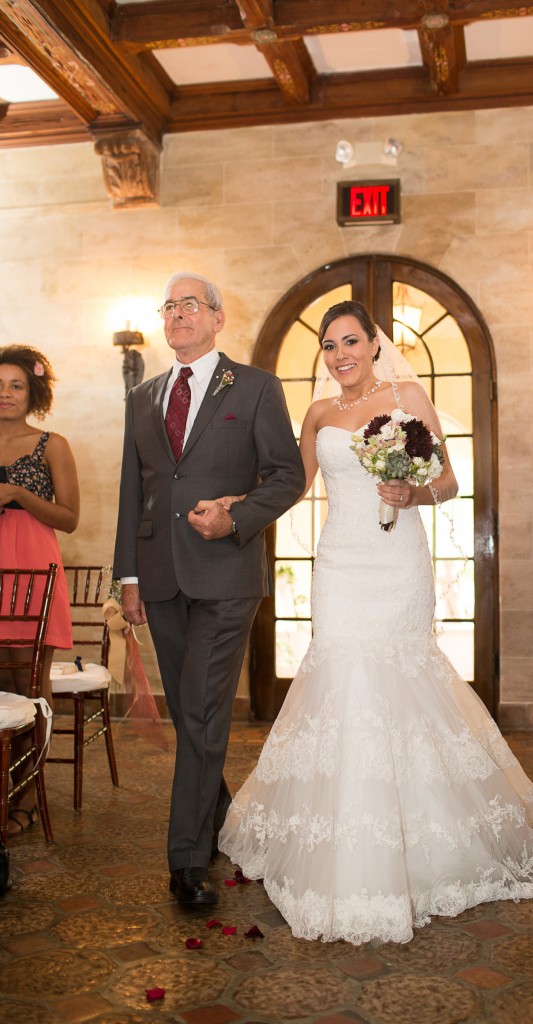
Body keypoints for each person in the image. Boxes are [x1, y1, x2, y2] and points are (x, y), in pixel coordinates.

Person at [218, 299, 533, 945]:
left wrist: (411, 490)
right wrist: (236, 504)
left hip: (396, 560)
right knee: (340, 671)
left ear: (374, 343)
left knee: (399, 672)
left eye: (350, 342)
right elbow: (289, 486)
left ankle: (428, 837)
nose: (339, 355)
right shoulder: (315, 414)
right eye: (329, 346)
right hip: (341, 560)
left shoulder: (409, 397)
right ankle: (338, 829)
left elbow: (448, 481)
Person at [113, 272, 305, 907]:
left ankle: (187, 859)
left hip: (225, 575)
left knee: (196, 709)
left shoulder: (253, 386)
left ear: (218, 318)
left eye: (189, 305)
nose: (176, 315)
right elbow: (131, 493)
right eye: (168, 306)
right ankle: (218, 815)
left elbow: (287, 475)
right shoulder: (143, 396)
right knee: (193, 715)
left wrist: (237, 517)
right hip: (160, 579)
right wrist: (129, 577)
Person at [0, 346, 79, 834]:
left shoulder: (52, 444)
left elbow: (70, 519)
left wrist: (19, 495)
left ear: (34, 391)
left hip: (32, 572)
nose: (5, 394)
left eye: (15, 385)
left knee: (29, 690)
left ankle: (25, 798)